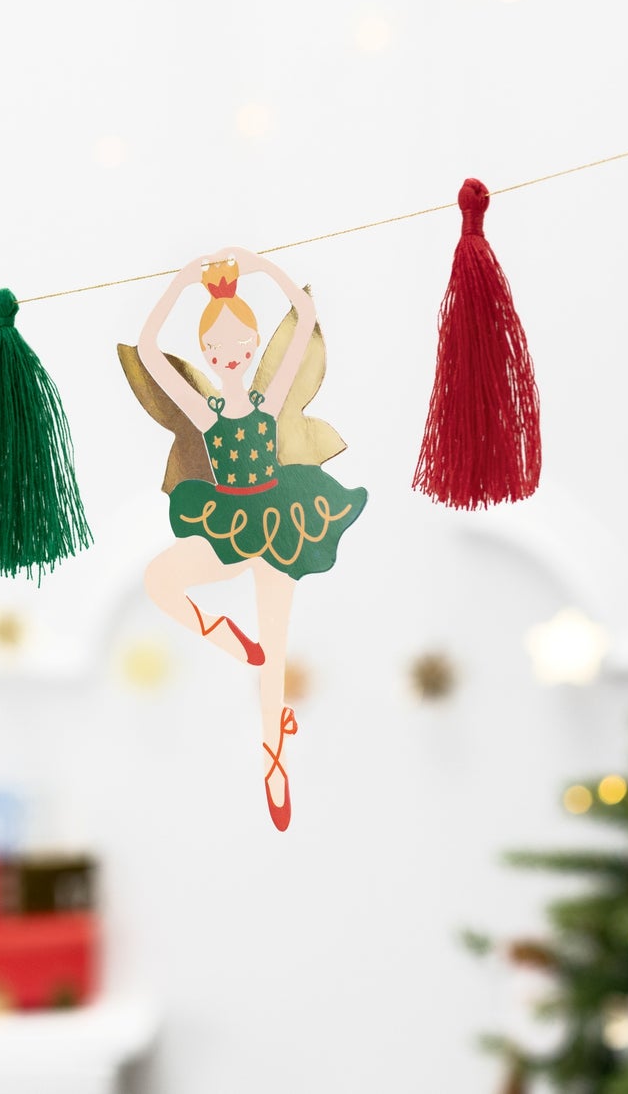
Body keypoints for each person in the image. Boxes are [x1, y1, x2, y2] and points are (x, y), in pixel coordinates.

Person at [136, 249, 365, 830]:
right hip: (227, 524)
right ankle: (224, 635)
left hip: (281, 519)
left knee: (278, 650)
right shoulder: (208, 411)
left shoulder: (266, 400)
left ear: (254, 342)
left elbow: (306, 317)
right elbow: (147, 353)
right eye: (220, 352)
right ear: (209, 355)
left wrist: (264, 270)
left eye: (242, 348)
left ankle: (274, 762)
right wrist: (184, 282)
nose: (233, 359)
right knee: (159, 580)